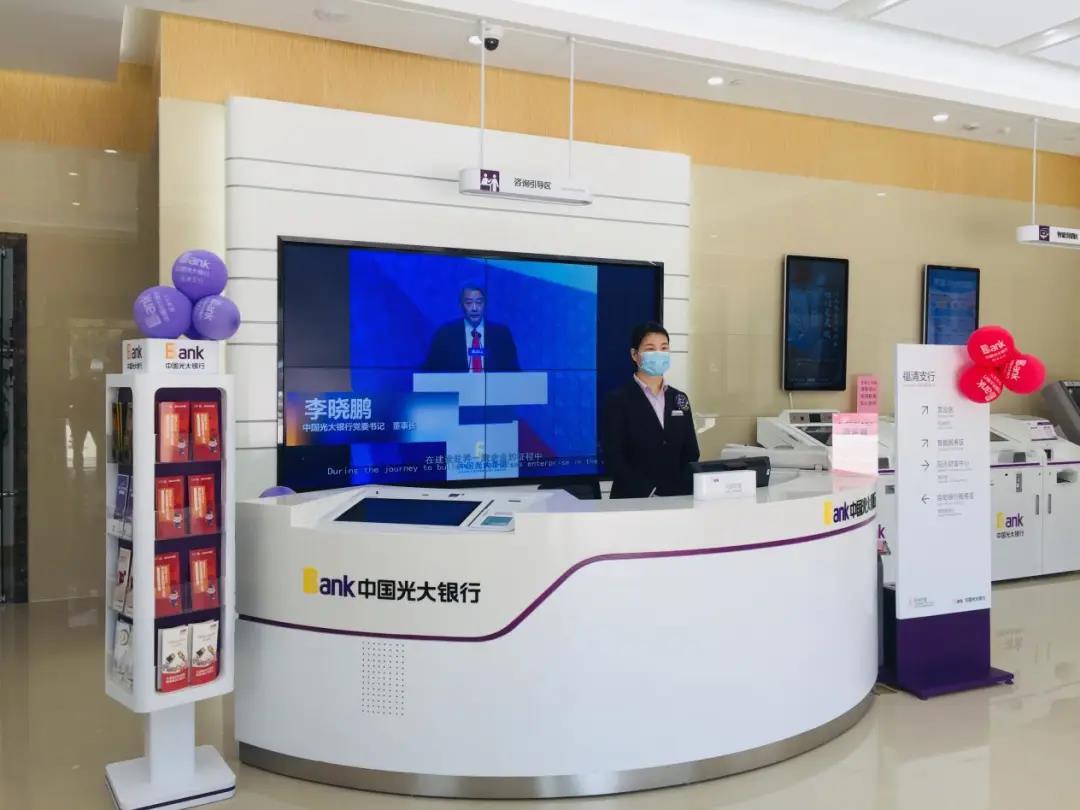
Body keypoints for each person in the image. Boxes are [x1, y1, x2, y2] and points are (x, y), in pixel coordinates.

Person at [602, 322, 699, 498]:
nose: (659, 354)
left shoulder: (679, 398)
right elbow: (613, 458)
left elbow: (691, 453)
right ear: (634, 354)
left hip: (675, 499)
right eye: (650, 348)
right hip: (633, 500)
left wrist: (681, 490)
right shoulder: (618, 399)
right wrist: (648, 492)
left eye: (664, 348)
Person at [424, 284, 520, 372]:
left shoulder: (501, 334)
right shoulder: (445, 334)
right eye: (469, 303)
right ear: (461, 305)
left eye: (479, 302)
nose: (474, 308)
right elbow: (431, 370)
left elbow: (513, 371)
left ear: (485, 305)